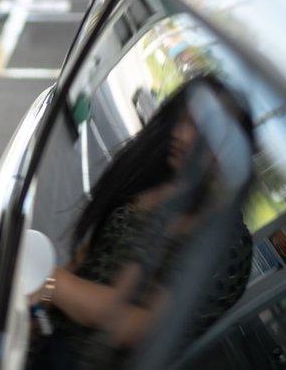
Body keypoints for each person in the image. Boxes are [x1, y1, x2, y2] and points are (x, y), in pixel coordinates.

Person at [28, 76, 255, 368]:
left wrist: (47, 283)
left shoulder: (226, 245)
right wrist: (40, 305)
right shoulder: (160, 181)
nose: (182, 135)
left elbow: (131, 326)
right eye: (182, 120)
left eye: (201, 130)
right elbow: (87, 257)